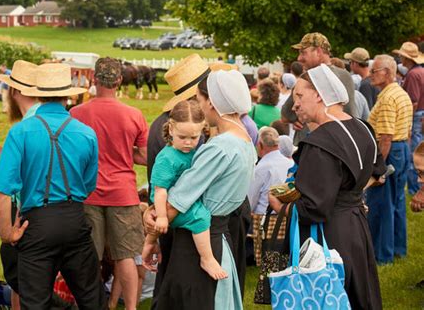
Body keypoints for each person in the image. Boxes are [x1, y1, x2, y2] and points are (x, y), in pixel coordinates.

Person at [269, 64, 386, 309]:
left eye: (300, 96)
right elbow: (378, 173)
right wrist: (352, 196)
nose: (295, 104)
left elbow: (314, 208)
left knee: (327, 294)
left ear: (320, 94)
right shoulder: (363, 127)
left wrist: (281, 206)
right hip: (356, 227)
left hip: (329, 235)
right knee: (357, 295)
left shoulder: (321, 144)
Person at [0, 63, 105, 309]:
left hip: (36, 222)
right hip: (75, 219)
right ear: (68, 94)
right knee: (91, 298)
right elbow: (88, 184)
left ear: (38, 92)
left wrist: (7, 231)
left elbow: (2, 189)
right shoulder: (86, 133)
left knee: (35, 302)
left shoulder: (20, 131)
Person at [143, 69, 256, 310]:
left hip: (198, 243)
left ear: (211, 103)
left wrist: (151, 237)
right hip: (217, 234)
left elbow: (177, 201)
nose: (200, 107)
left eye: (200, 101)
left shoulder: (219, 147)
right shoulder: (245, 140)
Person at [70, 57, 148, 310]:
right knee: (125, 255)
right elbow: (145, 157)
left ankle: (92, 304)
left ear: (94, 79)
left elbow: (71, 154)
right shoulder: (134, 114)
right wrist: (126, 151)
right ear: (119, 80)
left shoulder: (76, 114)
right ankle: (131, 307)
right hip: (123, 194)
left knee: (90, 255)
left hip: (88, 192)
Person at [147, 100, 227, 280]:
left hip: (181, 198)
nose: (188, 142)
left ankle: (149, 243)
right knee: (200, 217)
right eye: (182, 137)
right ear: (170, 130)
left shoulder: (192, 151)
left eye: (194, 137)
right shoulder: (167, 158)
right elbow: (160, 190)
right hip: (165, 202)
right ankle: (206, 258)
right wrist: (161, 216)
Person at [0, 60, 40, 310]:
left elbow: (6, 186)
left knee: (20, 279)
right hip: (57, 213)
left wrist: (8, 230)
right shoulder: (47, 120)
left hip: (24, 213)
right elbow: (26, 165)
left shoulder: (24, 128)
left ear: (15, 92)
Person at [366, 54, 414, 264]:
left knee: (382, 203)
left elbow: (385, 137)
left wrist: (379, 168)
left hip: (390, 149)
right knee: (397, 202)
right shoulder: (400, 93)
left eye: (374, 71)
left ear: (386, 73)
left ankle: (382, 255)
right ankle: (397, 249)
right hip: (401, 148)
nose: (370, 75)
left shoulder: (386, 98)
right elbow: (408, 131)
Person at [282, 32, 358, 145]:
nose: (299, 58)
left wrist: (299, 119)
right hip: (340, 144)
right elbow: (352, 115)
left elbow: (286, 114)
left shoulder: (307, 79)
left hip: (311, 145)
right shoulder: (345, 76)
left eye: (303, 53)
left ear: (318, 51)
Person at [248, 127, 293, 266]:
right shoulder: (290, 163)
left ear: (260, 145)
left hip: (264, 221)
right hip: (287, 215)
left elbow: (251, 199)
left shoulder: (262, 167)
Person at [393, 42, 424, 195]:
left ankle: (414, 189)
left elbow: (413, 101)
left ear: (407, 59)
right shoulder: (420, 71)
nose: (400, 59)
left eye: (402, 56)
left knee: (414, 155)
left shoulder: (412, 74)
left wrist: (407, 123)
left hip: (416, 116)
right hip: (421, 115)